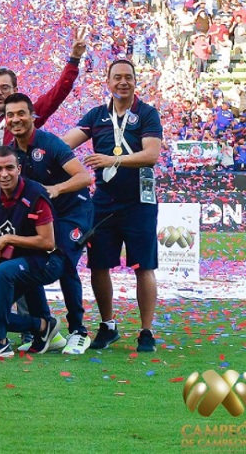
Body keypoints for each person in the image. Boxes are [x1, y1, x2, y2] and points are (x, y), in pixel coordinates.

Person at [62, 59, 163, 353]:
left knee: (144, 266)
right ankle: (108, 325)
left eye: (128, 77)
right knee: (99, 265)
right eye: (117, 77)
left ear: (135, 82)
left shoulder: (146, 113)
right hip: (104, 203)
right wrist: (37, 145)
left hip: (139, 202)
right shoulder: (97, 115)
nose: (123, 82)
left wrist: (112, 159)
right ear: (107, 83)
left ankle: (146, 330)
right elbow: (65, 143)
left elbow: (151, 154)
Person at [4, 93, 94, 354]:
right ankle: (48, 330)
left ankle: (79, 331)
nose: (16, 119)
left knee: (63, 259)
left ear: (33, 116)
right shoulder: (11, 150)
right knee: (29, 259)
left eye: (21, 113)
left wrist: (56, 189)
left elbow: (84, 177)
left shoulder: (50, 143)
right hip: (46, 216)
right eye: (10, 115)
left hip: (73, 212)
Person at [0, 148, 66, 360]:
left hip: (48, 260)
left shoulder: (35, 194)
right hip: (20, 260)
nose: (4, 174)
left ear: (19, 169)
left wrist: (9, 239)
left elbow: (48, 242)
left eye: (9, 168)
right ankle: (42, 325)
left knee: (4, 270)